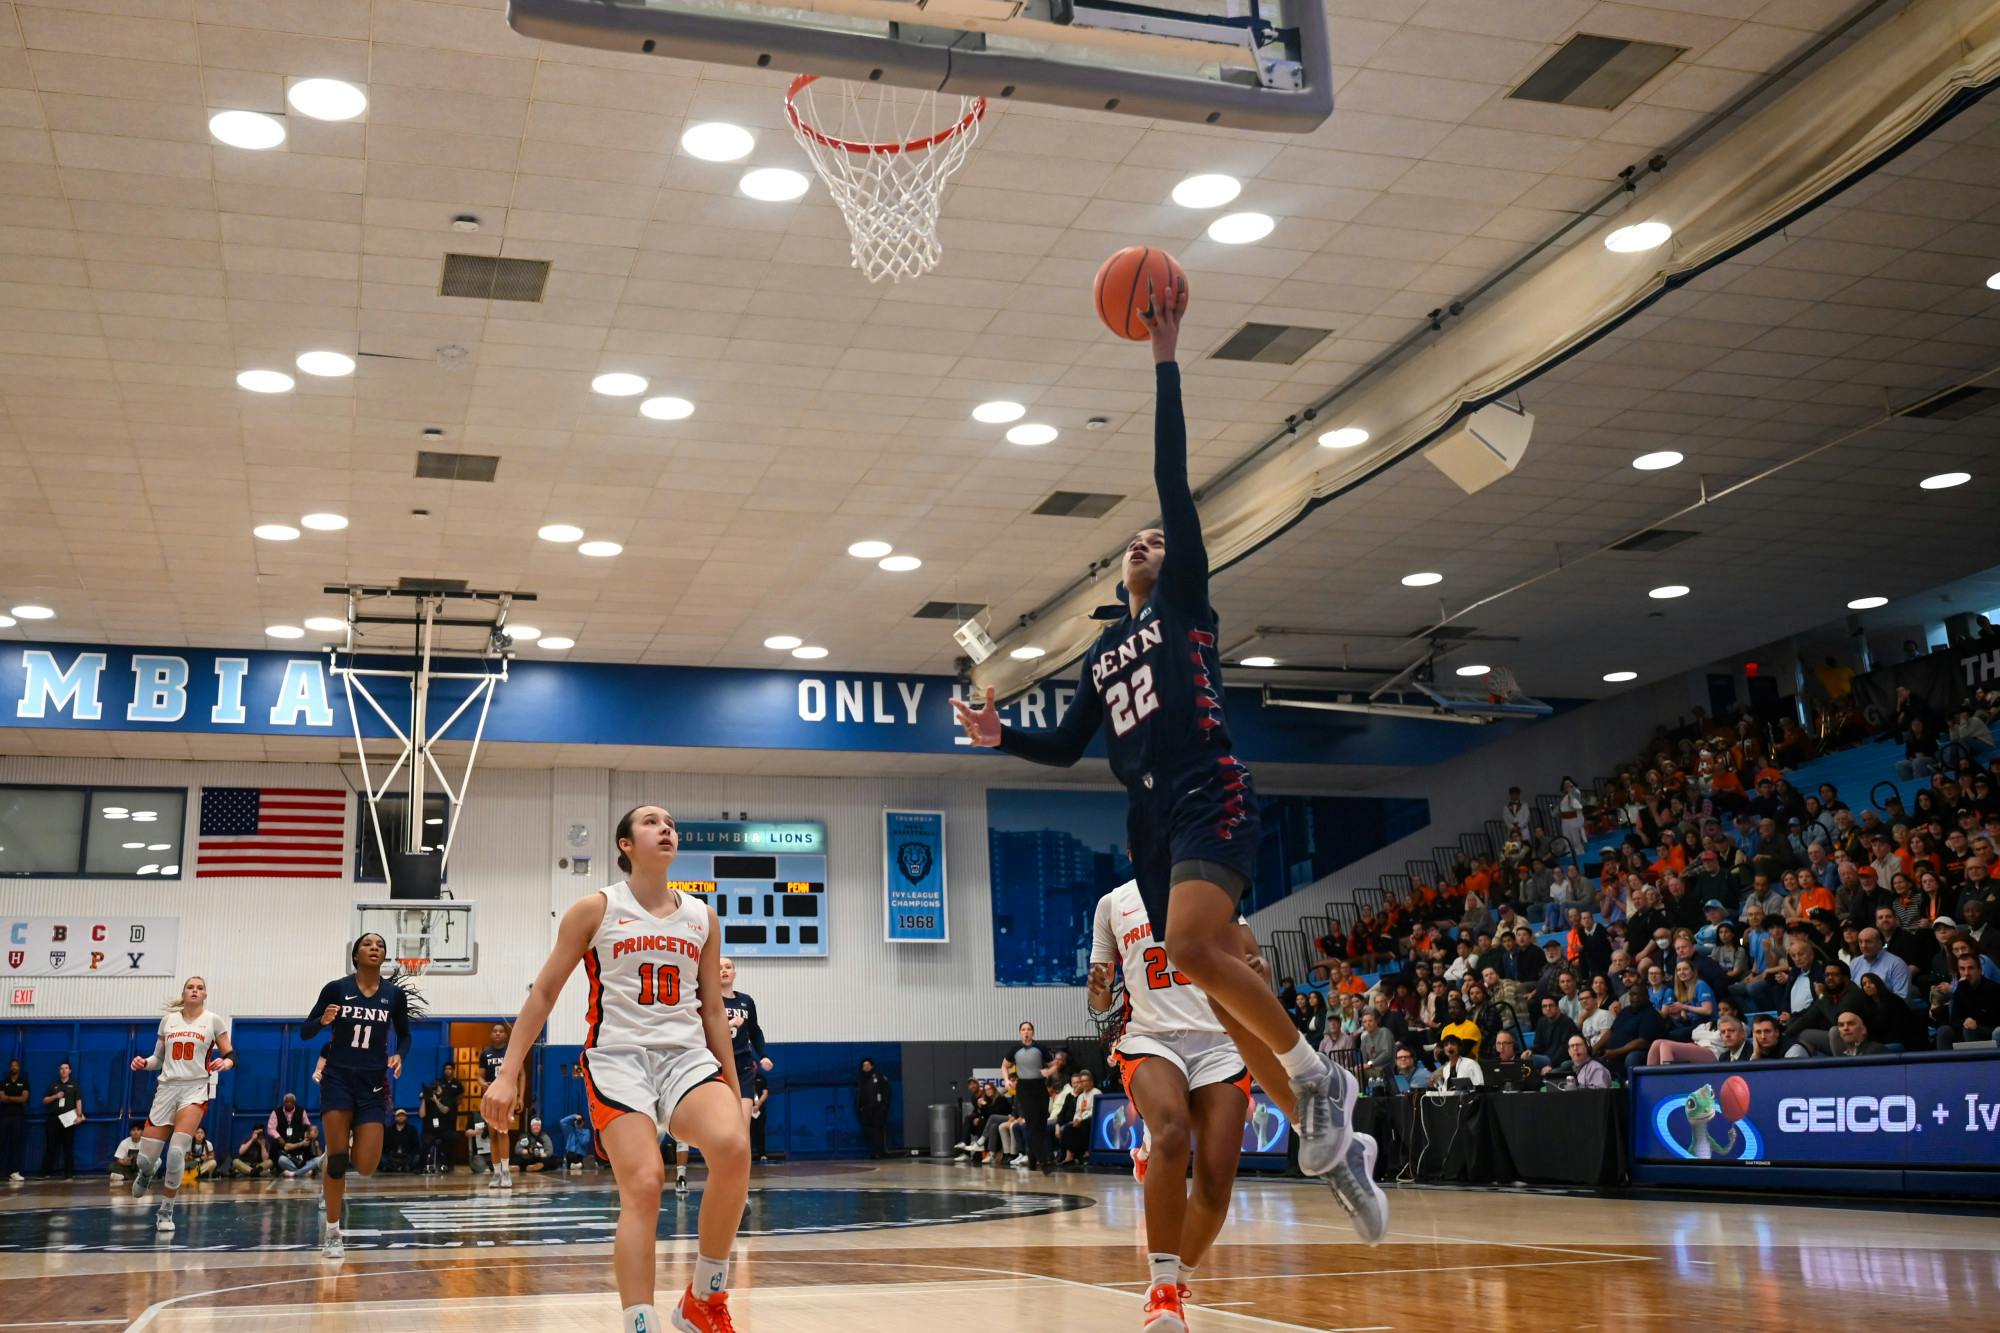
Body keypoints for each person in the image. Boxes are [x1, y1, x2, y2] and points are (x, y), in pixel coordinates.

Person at [951, 291, 1357, 1199]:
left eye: (1157, 539)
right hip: (1151, 818)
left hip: (1208, 781)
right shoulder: (1101, 651)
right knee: (1203, 966)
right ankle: (1321, 1113)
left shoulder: (1185, 603)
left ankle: (1316, 1076)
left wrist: (1165, 361)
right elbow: (1066, 747)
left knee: (1200, 950)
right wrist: (1001, 734)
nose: (1146, 540)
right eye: (1134, 540)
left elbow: (1173, 480)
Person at [480, 804, 752, 1333]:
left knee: (734, 1147)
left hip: (686, 1057)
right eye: (651, 822)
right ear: (625, 844)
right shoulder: (596, 909)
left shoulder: (702, 917)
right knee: (645, 1184)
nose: (665, 828)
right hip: (618, 1060)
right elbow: (544, 992)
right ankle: (640, 1322)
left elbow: (713, 1011)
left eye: (670, 824)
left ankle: (704, 1299)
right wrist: (508, 1073)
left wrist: (735, 1090)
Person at [1091, 878, 1384, 1333]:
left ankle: (1176, 1287)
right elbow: (1100, 996)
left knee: (1214, 1182)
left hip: (1221, 1043)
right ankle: (1162, 1290)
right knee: (1172, 1128)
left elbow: (1251, 957)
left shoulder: (1204, 883)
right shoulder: (1113, 903)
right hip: (1150, 1036)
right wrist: (1097, 988)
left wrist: (1257, 967)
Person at [299, 932, 421, 1260]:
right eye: (368, 944)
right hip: (338, 1078)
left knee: (366, 1166)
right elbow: (305, 1030)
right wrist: (322, 1020)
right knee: (339, 1160)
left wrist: (400, 1055)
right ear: (355, 955)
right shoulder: (336, 989)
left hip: (373, 1083)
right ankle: (332, 1232)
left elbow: (406, 1036)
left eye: (380, 945)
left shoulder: (393, 995)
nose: (374, 948)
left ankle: (333, 1155)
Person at [125, 975, 234, 1231]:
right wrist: (144, 1063)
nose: (195, 991)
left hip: (195, 1089)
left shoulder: (213, 1020)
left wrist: (226, 1063)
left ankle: (166, 1211)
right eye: (190, 987)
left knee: (176, 1152)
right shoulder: (168, 1021)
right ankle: (147, 1172)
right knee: (145, 1160)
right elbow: (157, 1059)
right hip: (166, 1089)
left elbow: (230, 1054)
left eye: (200, 988)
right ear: (183, 993)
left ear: (205, 995)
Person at [717, 957, 773, 1135]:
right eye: (719, 968)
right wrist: (729, 1023)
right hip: (718, 1067)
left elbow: (755, 1031)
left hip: (743, 1066)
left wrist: (763, 1055)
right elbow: (704, 1030)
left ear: (734, 973)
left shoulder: (746, 1001)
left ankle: (743, 1154)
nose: (724, 970)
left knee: (742, 1127)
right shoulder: (709, 1001)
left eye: (728, 967)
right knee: (721, 1127)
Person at [475, 1022, 517, 1190]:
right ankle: (497, 1172)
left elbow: (519, 1075)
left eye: (501, 1031)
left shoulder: (510, 1053)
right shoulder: (485, 1053)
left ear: (506, 1035)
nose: (498, 1033)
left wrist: (518, 1097)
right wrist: (483, 1083)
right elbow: (479, 1077)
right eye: (495, 1031)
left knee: (503, 1132)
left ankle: (506, 1172)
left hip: (505, 1097)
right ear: (491, 1035)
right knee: (492, 1135)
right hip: (490, 1096)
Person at [1933, 951, 2000, 1049]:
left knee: (1969, 1028)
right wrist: (1964, 1021)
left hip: (1990, 1030)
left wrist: (1972, 1022)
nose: (1966, 973)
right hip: (1968, 1029)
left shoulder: (1993, 989)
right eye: (1962, 969)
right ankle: (1945, 1060)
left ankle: (1975, 1059)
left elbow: (1992, 1018)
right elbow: (1954, 1019)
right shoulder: (1961, 987)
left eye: (1970, 968)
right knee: (1944, 1031)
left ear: (1980, 970)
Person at [40, 1060, 82, 1177]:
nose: (64, 1070)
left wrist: (79, 1116)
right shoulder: (54, 1085)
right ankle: (45, 1172)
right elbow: (45, 1100)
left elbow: (78, 1101)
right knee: (50, 1145)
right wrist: (55, 1096)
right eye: (61, 1068)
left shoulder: (74, 1085)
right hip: (54, 1118)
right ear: (59, 1071)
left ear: (70, 1071)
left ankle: (68, 1173)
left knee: (68, 1146)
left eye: (66, 1068)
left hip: (68, 1119)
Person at [423, 1064, 462, 1174]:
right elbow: (422, 1115)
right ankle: (425, 1164)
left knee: (451, 1137)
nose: (447, 1071)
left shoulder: (454, 1088)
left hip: (448, 1120)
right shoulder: (431, 1098)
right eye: (446, 1069)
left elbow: (457, 1100)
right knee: (426, 1139)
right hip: (432, 1128)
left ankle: (448, 1163)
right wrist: (424, 1099)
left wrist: (437, 1101)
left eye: (450, 1069)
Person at [854, 1058, 892, 1160]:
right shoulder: (861, 1080)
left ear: (872, 1066)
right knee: (869, 1132)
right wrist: (859, 1108)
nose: (866, 1067)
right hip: (865, 1111)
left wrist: (884, 1107)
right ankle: (874, 1152)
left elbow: (886, 1093)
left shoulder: (879, 1077)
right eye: (864, 1065)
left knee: (878, 1131)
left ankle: (880, 1152)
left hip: (877, 1110)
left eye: (868, 1065)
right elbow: (858, 1095)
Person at [270, 1092, 316, 1178]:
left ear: (294, 1103)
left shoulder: (301, 1111)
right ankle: (303, 1171)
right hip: (282, 1140)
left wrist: (308, 1134)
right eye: (287, 1102)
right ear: (284, 1103)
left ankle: (293, 1172)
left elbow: (307, 1125)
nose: (289, 1104)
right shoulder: (276, 1112)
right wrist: (278, 1137)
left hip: (297, 1139)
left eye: (291, 1102)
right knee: (281, 1159)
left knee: (316, 1160)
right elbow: (271, 1128)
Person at [0, 1059, 28, 1182]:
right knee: (2, 1143)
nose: (14, 1067)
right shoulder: (4, 1082)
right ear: (9, 1067)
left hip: (18, 1117)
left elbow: (24, 1098)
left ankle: (14, 1172)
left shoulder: (24, 1082)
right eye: (12, 1065)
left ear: (19, 1067)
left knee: (16, 1144)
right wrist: (16, 1098)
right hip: (4, 1116)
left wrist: (9, 1098)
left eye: (16, 1065)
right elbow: (2, 1098)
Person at [383, 1108, 424, 1173]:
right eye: (398, 1116)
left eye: (402, 1115)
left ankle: (405, 1167)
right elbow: (385, 1146)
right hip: (393, 1156)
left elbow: (416, 1145)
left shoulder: (412, 1129)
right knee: (383, 1158)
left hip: (407, 1156)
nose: (401, 1117)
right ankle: (393, 1168)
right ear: (395, 1118)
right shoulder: (389, 1130)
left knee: (417, 1157)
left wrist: (410, 1154)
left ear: (406, 1117)